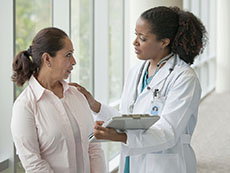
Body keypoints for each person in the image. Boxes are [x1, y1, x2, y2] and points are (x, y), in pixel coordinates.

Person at [71, 6, 207, 173]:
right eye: (136, 35)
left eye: (142, 38)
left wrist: (120, 137)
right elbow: (129, 120)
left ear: (164, 42)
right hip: (132, 161)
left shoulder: (184, 78)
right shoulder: (136, 71)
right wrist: (95, 105)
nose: (135, 42)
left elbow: (168, 132)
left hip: (165, 164)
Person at [11, 27, 106, 173]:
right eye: (68, 55)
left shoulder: (77, 95)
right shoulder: (25, 106)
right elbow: (33, 164)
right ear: (47, 59)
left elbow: (93, 147)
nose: (74, 61)